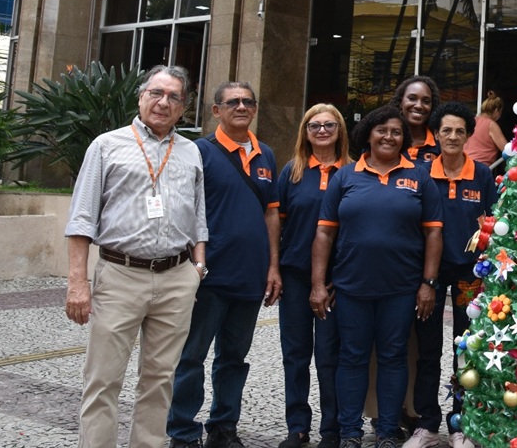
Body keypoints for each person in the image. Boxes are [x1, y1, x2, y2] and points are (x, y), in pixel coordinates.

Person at [65, 65, 207, 448]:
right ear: (141, 96)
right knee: (103, 379)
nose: (163, 103)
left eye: (173, 97)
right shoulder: (107, 145)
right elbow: (81, 219)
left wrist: (197, 268)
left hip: (177, 277)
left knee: (161, 379)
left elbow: (199, 217)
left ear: (184, 107)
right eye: (156, 93)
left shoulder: (191, 152)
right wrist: (78, 283)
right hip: (121, 274)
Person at [311, 105, 443, 448]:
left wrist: (428, 284)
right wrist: (317, 284)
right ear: (368, 133)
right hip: (351, 287)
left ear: (404, 139)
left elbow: (433, 235)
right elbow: (324, 234)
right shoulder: (346, 176)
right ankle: (350, 432)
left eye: (396, 132)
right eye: (382, 130)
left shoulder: (419, 176)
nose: (389, 136)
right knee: (352, 357)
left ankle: (386, 431)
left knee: (394, 357)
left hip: (401, 289)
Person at [168, 82, 282, 448]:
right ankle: (183, 432)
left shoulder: (266, 154)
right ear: (216, 110)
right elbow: (184, 209)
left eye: (248, 101)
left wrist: (273, 267)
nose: (241, 106)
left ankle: (223, 427)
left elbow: (272, 215)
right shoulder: (198, 151)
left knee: (234, 357)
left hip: (251, 276)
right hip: (209, 275)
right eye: (232, 102)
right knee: (191, 357)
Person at [405, 102, 498, 448]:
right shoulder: (422, 173)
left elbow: (495, 221)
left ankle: (461, 424)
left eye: (460, 130)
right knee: (428, 349)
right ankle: (427, 424)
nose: (453, 136)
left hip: (469, 275)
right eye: (446, 130)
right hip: (429, 274)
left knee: (466, 349)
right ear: (436, 134)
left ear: (469, 134)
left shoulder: (483, 174)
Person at [277, 105, 351, 448]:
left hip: (337, 280)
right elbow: (277, 223)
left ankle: (331, 429)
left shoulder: (352, 171)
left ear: (340, 130)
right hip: (294, 276)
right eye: (314, 125)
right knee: (296, 353)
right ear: (305, 132)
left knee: (329, 355)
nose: (322, 130)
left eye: (329, 125)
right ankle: (297, 426)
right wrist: (273, 268)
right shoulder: (292, 172)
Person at [390, 75, 441, 165]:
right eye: (412, 98)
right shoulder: (386, 139)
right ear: (400, 102)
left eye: (426, 101)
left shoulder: (440, 142)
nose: (418, 106)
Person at [463, 90, 506, 165]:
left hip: (462, 165)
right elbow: (507, 149)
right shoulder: (491, 125)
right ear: (496, 111)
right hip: (479, 168)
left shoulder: (470, 121)